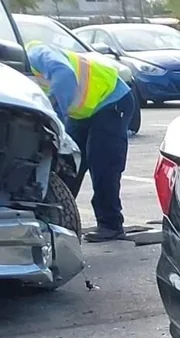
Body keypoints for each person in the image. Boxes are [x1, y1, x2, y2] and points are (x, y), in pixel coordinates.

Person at [26, 41, 137, 241]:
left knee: (103, 164)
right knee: (68, 165)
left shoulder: (36, 52)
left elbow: (64, 74)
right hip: (83, 111)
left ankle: (111, 225)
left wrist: (54, 118)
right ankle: (58, 220)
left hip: (111, 100)